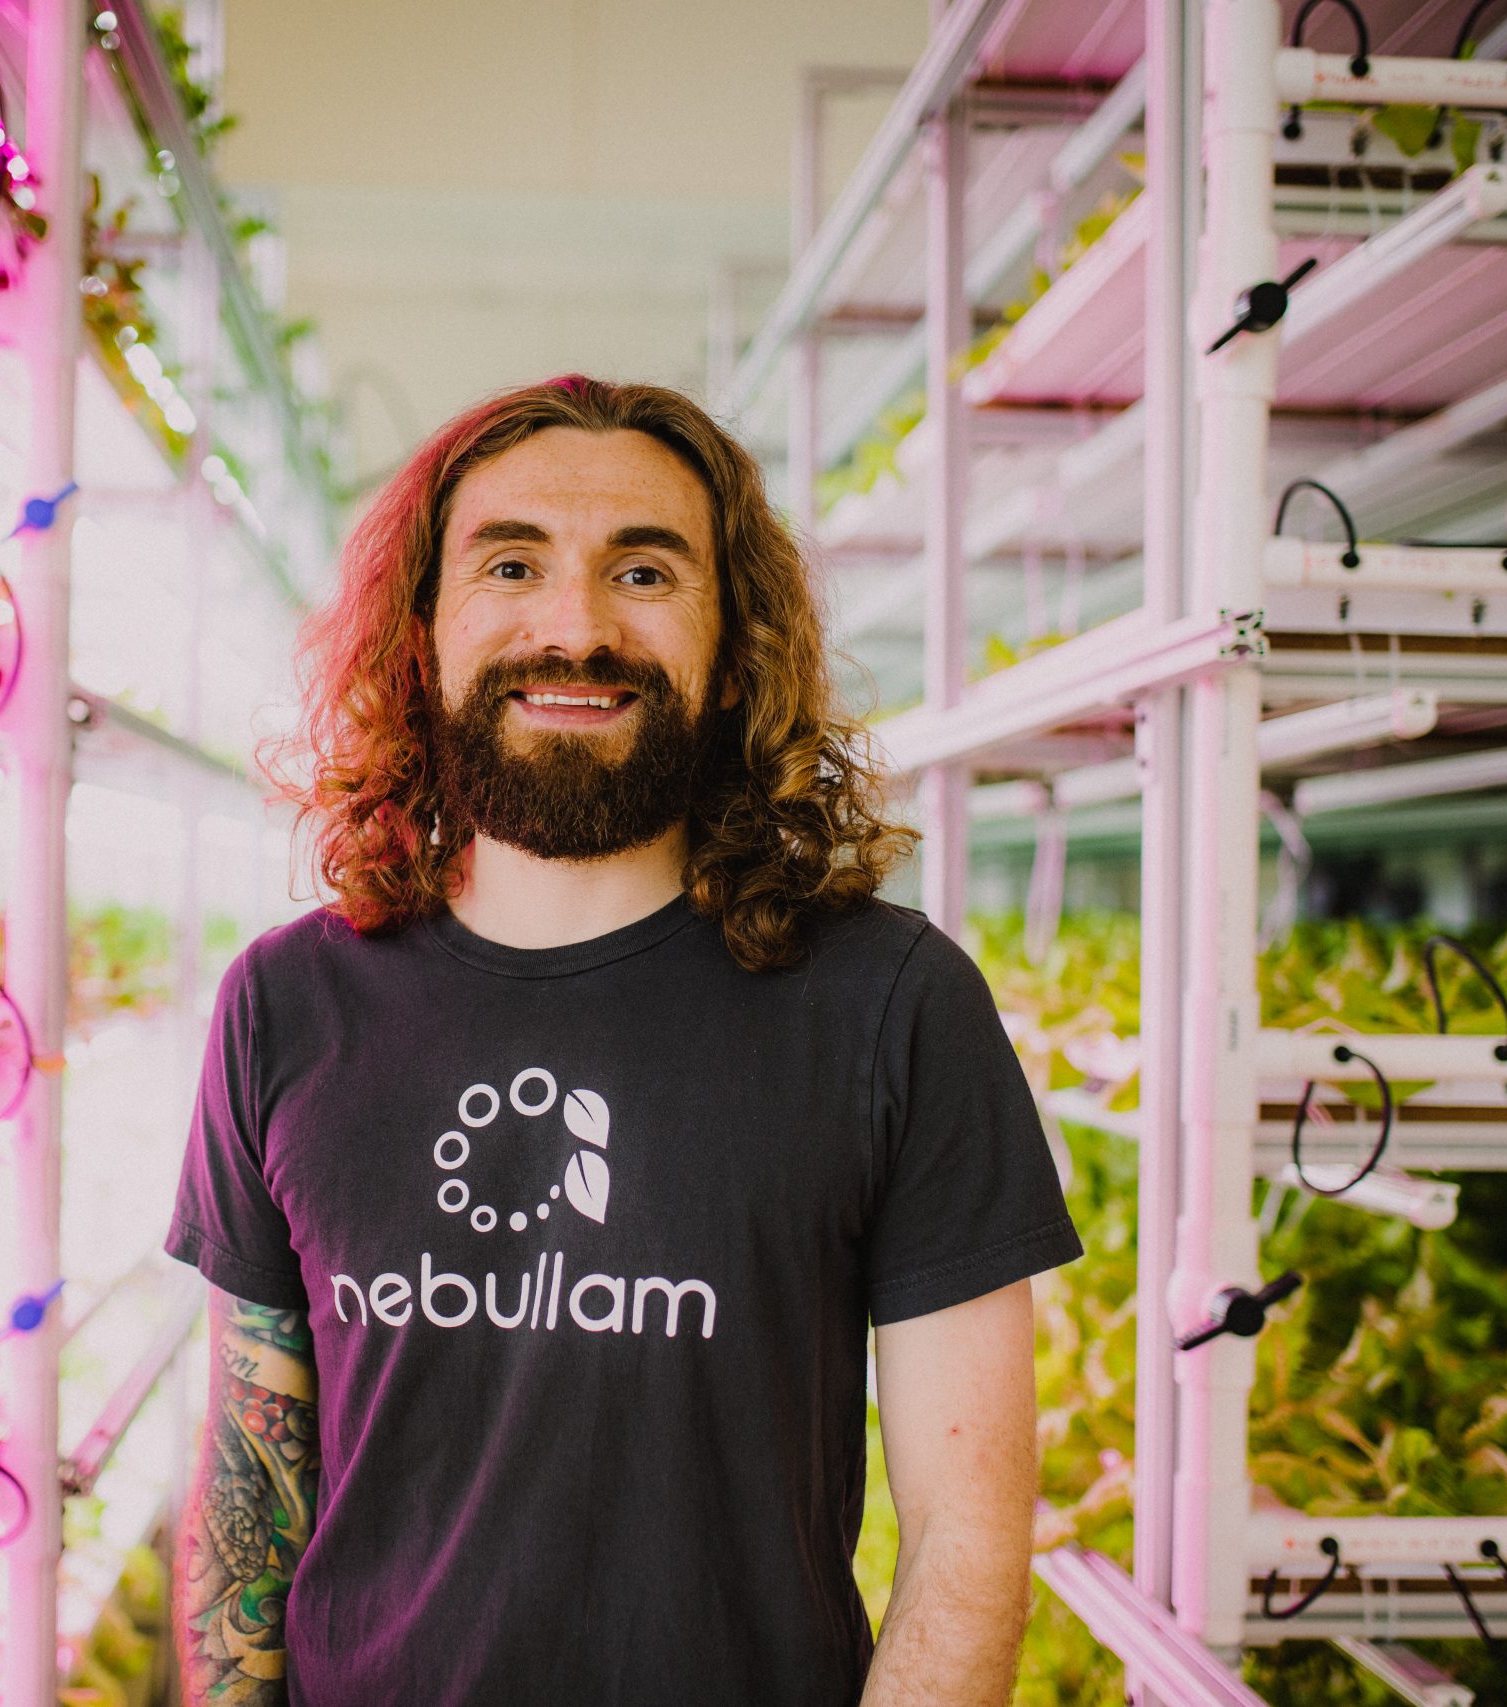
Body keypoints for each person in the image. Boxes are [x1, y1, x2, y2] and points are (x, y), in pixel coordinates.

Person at [165, 375, 1081, 1707]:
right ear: (424, 631)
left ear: (731, 644)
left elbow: (967, 1537)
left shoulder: (892, 1005)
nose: (577, 628)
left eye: (644, 571)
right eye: (512, 564)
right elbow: (251, 1486)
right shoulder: (286, 1007)